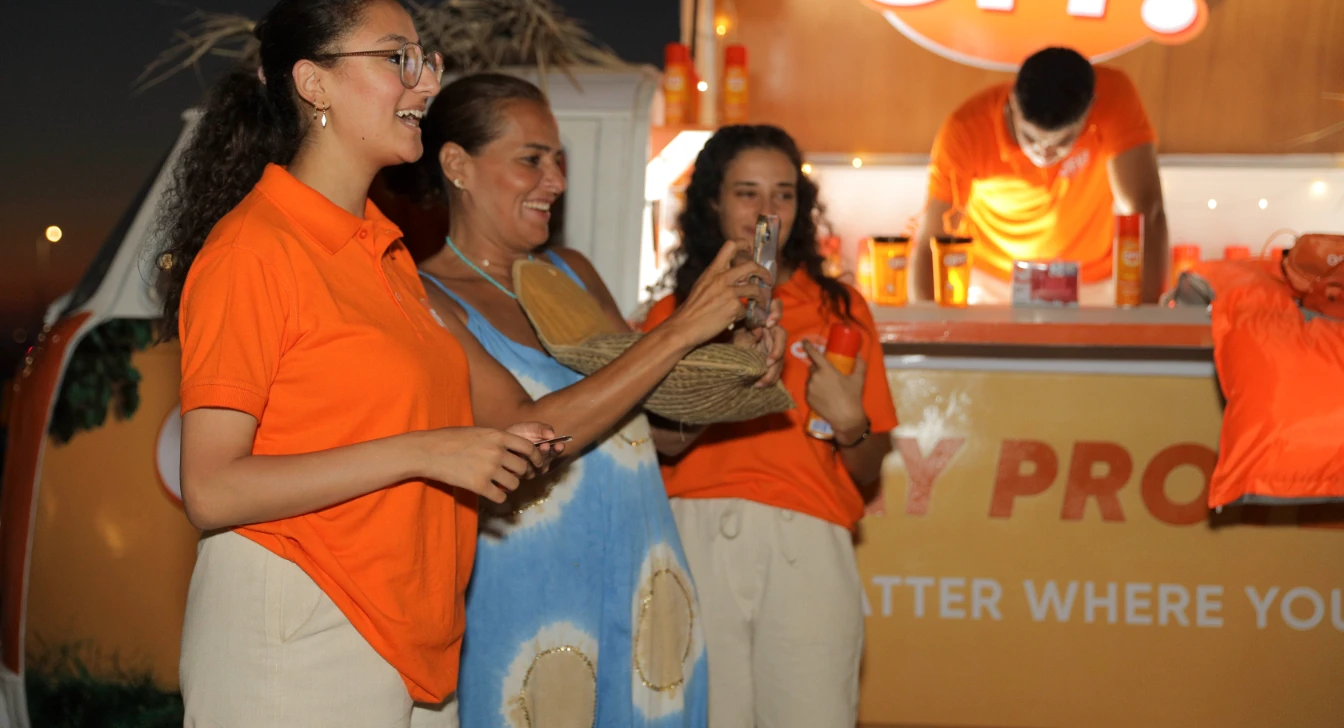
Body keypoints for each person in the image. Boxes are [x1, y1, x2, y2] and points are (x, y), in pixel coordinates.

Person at [158, 0, 558, 728]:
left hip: (410, 635)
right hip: (301, 623)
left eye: (427, 61)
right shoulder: (254, 249)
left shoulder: (385, 253)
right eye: (398, 59)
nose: (427, 83)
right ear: (315, 84)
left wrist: (493, 448)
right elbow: (211, 487)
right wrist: (429, 450)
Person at [386, 73, 788, 727]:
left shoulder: (571, 273)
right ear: (457, 164)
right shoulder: (426, 296)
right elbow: (526, 434)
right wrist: (681, 330)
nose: (555, 180)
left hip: (641, 576)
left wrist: (734, 365)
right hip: (532, 593)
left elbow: (658, 434)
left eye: (559, 160)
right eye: (531, 160)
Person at [641, 124, 898, 728]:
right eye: (747, 192)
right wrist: (724, 367)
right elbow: (654, 448)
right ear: (713, 201)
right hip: (695, 534)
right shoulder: (674, 314)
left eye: (783, 193)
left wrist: (851, 423)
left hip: (807, 540)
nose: (767, 211)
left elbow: (867, 468)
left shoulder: (840, 309)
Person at [912, 47, 1169, 304]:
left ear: (1091, 108)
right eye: (1029, 137)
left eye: (1064, 141)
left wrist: (1147, 316)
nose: (1044, 153)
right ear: (1012, 102)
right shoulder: (966, 131)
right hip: (993, 280)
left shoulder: (1114, 96)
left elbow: (1147, 210)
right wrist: (927, 322)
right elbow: (933, 241)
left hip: (1094, 278)